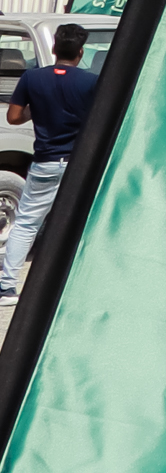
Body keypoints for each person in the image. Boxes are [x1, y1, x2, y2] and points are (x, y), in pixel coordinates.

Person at [5, 23, 103, 299]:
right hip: (79, 164)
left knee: (26, 223)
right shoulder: (92, 82)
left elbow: (13, 117)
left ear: (53, 48)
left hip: (45, 163)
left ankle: (7, 286)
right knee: (82, 222)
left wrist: (34, 110)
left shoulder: (32, 78)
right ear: (81, 52)